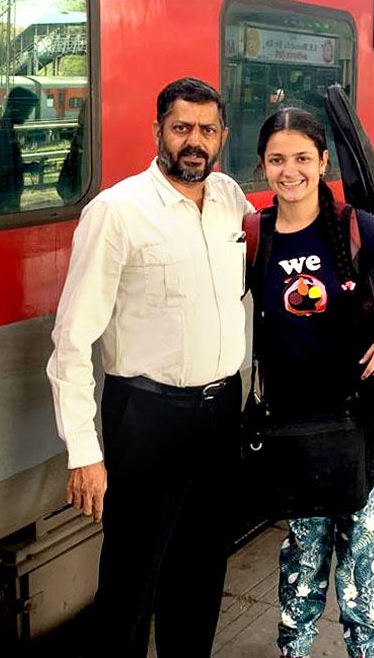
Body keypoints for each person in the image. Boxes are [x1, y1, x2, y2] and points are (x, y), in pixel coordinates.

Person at [44, 77, 249, 657]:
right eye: (181, 128)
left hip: (220, 411)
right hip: (145, 415)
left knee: (202, 571)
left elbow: (284, 246)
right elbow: (71, 340)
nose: (194, 141)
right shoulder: (117, 212)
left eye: (207, 130)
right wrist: (84, 452)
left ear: (222, 136)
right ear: (157, 130)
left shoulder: (230, 198)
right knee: (131, 581)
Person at [252, 108, 374, 658]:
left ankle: (364, 651)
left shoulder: (357, 226)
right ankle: (294, 650)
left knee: (360, 558)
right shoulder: (254, 235)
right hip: (293, 424)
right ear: (263, 166)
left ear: (322, 162)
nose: (290, 171)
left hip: (359, 419)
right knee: (303, 555)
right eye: (277, 159)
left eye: (302, 158)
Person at [0, 86, 39, 211]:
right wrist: (27, 168)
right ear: (16, 107)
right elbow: (3, 170)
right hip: (3, 202)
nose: (28, 116)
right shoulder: (2, 133)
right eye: (27, 110)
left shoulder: (4, 130)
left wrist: (26, 167)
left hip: (5, 199)